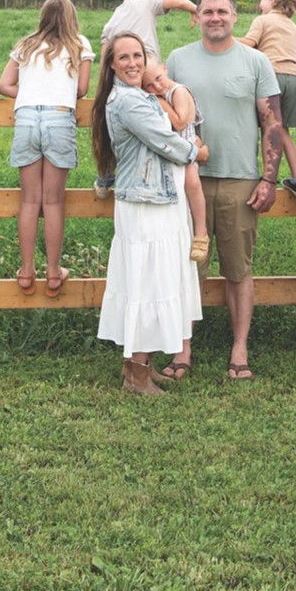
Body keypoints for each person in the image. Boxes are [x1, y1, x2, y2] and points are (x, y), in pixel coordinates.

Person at [167, 0, 282, 380]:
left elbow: (272, 122)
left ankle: (239, 347)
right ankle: (183, 348)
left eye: (222, 11)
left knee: (238, 269)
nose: (215, 17)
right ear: (196, 17)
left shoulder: (255, 61)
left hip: (239, 180)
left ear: (235, 16)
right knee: (187, 267)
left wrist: (269, 178)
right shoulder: (178, 60)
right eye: (207, 11)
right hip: (187, 179)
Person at [92, 32, 202, 394]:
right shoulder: (129, 103)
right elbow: (166, 141)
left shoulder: (135, 95)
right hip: (145, 205)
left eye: (137, 55)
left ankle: (139, 364)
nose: (133, 63)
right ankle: (136, 373)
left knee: (154, 279)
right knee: (147, 281)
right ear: (111, 65)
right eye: (123, 58)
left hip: (156, 200)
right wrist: (197, 151)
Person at [0, 0, 94, 297]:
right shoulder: (79, 43)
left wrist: (29, 94)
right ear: (71, 17)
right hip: (59, 118)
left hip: (26, 117)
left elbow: (4, 85)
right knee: (53, 202)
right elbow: (81, 89)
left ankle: (26, 272)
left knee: (29, 201)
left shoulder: (25, 44)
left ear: (42, 16)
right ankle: (53, 273)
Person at [94, 0, 199, 198]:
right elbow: (178, 1)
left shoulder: (113, 19)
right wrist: (196, 10)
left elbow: (104, 57)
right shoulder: (144, 2)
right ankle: (187, 149)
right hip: (145, 71)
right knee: (167, 114)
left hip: (120, 79)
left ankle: (105, 176)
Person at [239, 0, 296, 197]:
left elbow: (249, 44)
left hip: (271, 77)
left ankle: (264, 176)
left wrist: (226, 41)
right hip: (293, 79)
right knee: (283, 130)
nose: (260, 5)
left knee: (267, 128)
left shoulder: (263, 20)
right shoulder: (295, 28)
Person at [141, 60, 211, 264]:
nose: (157, 87)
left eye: (158, 79)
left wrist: (160, 102)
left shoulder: (177, 92)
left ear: (164, 68)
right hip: (173, 151)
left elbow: (180, 122)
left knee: (192, 183)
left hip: (186, 147)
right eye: (149, 86)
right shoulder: (160, 94)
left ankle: (201, 232)